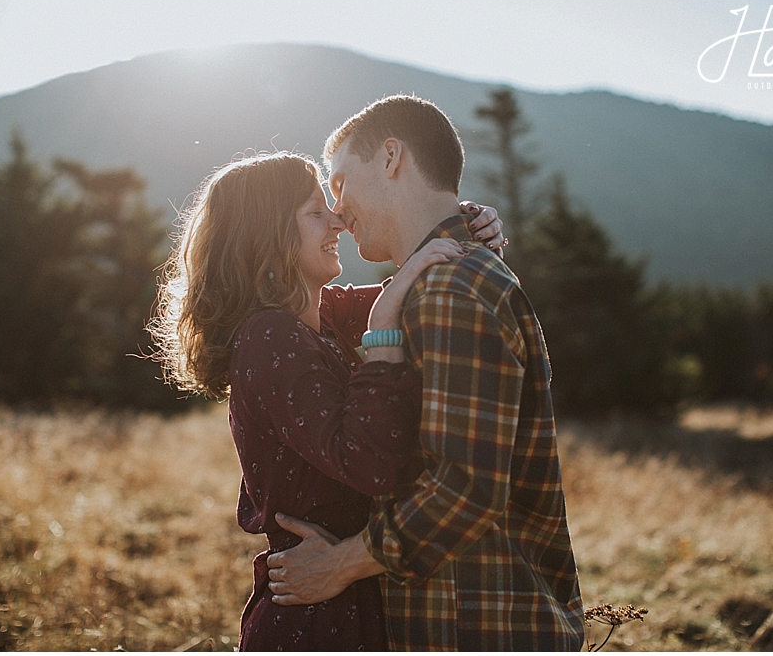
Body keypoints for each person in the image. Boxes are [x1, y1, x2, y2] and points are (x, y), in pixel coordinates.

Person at [265, 95, 585, 651]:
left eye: (340, 183)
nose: (337, 212)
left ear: (391, 157)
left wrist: (339, 565)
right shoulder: (438, 280)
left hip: (473, 625)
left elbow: (464, 488)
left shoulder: (448, 289)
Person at [149, 151, 505, 650]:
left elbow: (416, 290)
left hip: (341, 595)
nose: (337, 220)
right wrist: (382, 334)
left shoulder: (318, 315)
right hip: (317, 619)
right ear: (269, 236)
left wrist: (466, 225)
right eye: (317, 212)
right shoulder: (270, 336)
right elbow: (370, 464)